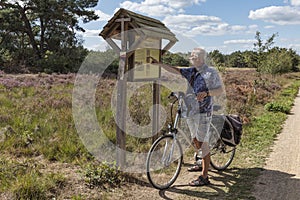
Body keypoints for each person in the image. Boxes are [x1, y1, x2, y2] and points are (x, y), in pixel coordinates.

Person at [150, 47, 223, 186]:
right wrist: (159, 64)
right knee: (195, 140)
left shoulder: (211, 73)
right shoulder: (192, 71)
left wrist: (207, 93)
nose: (190, 58)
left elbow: (219, 90)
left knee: (203, 143)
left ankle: (204, 176)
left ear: (200, 58)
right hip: (190, 110)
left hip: (203, 111)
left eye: (193, 56)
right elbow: (175, 70)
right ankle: (200, 161)